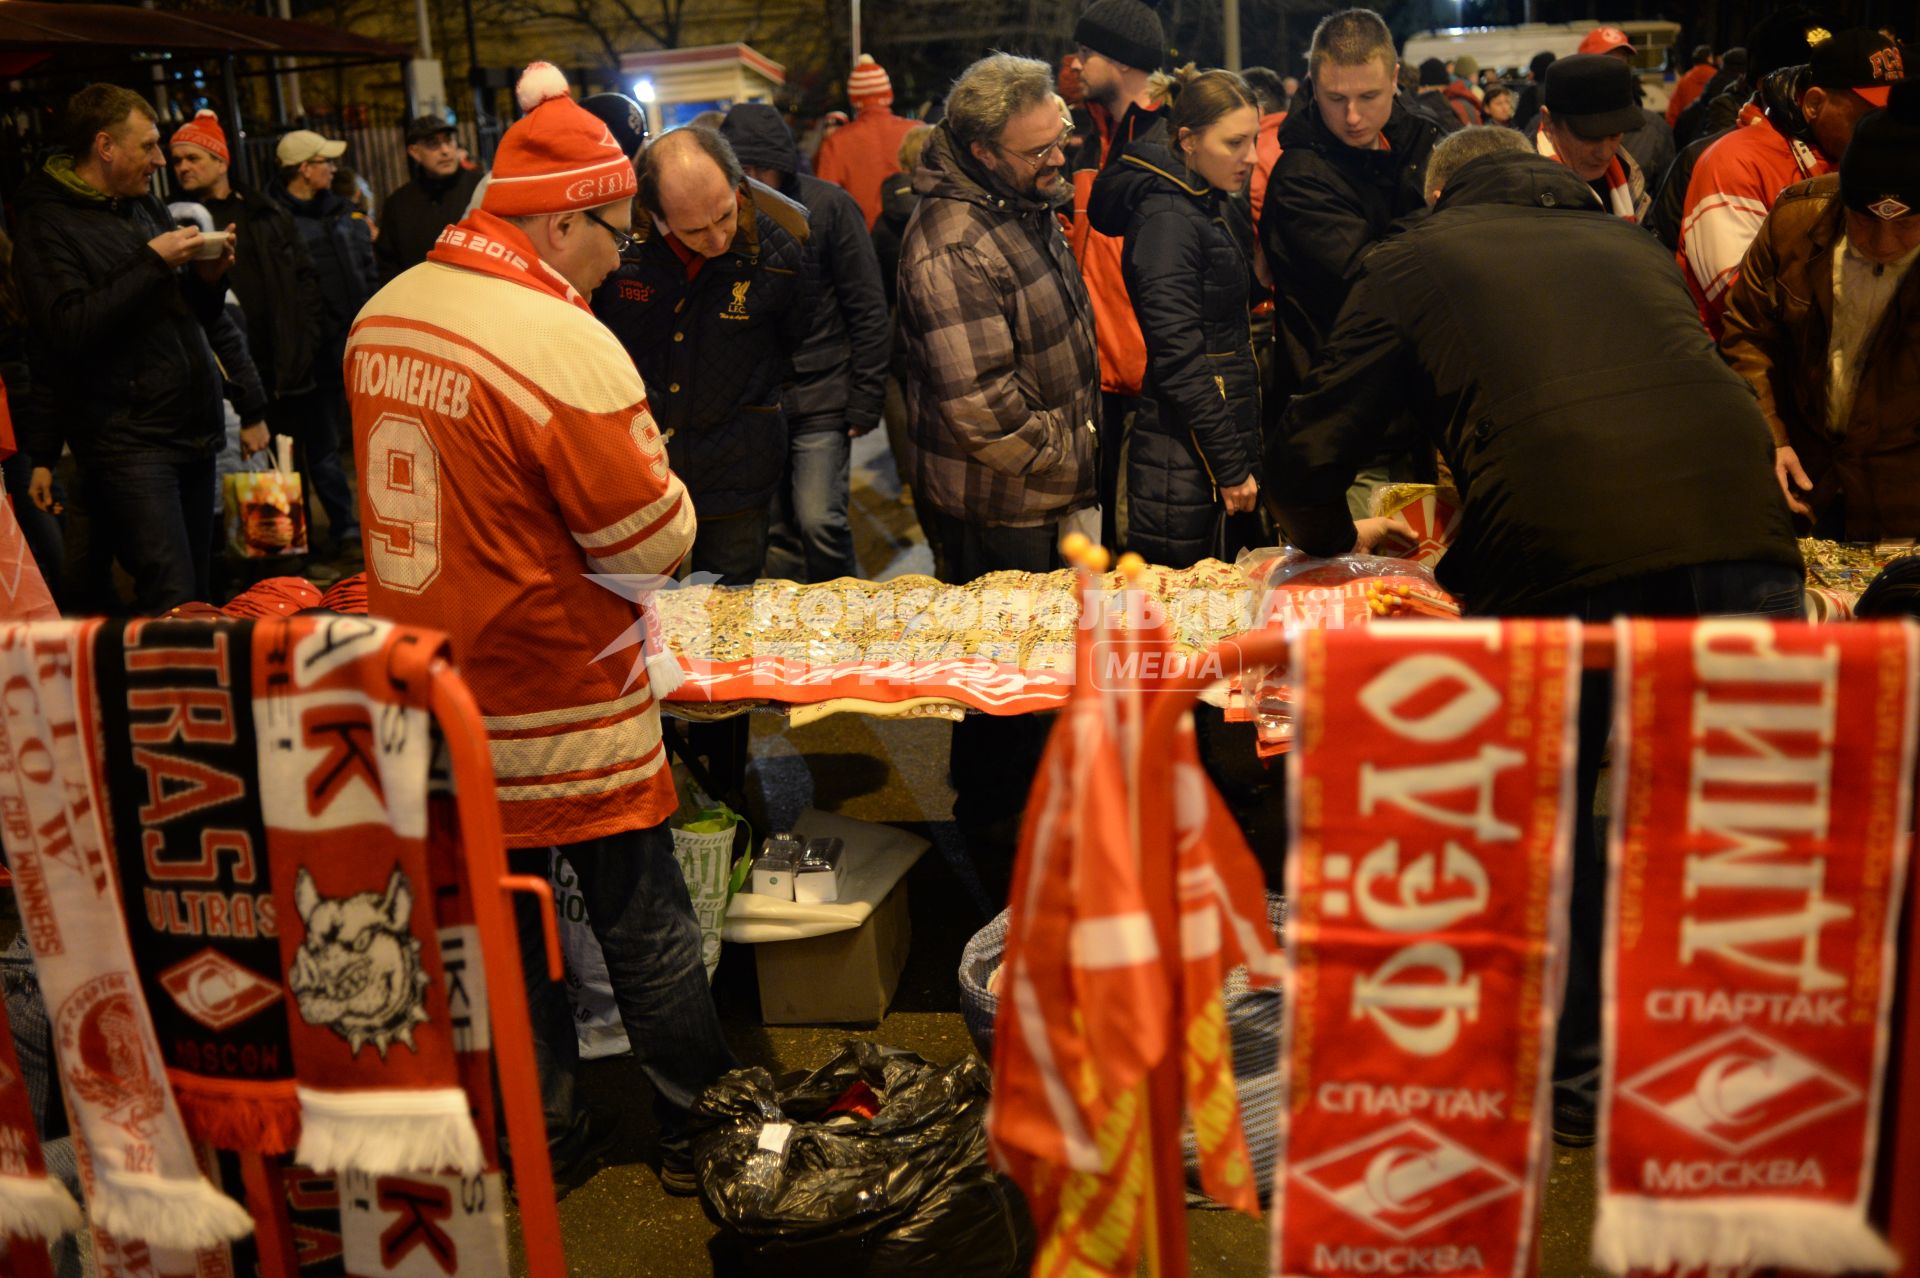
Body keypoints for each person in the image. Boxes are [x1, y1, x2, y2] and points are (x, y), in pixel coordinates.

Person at [1268, 125, 1803, 1147]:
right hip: (1743, 525)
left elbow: (1310, 440)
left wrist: (1330, 540)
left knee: (1552, 821)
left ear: (1439, 188)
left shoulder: (1412, 256)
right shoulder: (1628, 240)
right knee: (1730, 815)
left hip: (1562, 550)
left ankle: (1582, 1089)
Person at [346, 61, 725, 1198]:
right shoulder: (560, 342)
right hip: (559, 686)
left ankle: (539, 1143)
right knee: (641, 923)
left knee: (501, 939)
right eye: (617, 231)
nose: (628, 253)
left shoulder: (387, 310)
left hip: (431, 689)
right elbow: (651, 543)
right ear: (564, 225)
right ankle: (695, 1130)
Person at [897, 53, 1098, 854]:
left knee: (1043, 687)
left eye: (1062, 136)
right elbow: (987, 415)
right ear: (983, 152)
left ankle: (1037, 833)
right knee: (1010, 698)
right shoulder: (950, 247)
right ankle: (1003, 855)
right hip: (1001, 511)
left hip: (1042, 493)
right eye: (1039, 148)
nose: (1060, 156)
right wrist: (1075, 449)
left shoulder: (1017, 200)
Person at [12, 83, 269, 613]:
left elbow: (188, 314)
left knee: (201, 589)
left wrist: (209, 278)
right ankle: (168, 692)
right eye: (149, 146)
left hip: (189, 429)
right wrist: (152, 261)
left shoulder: (140, 203)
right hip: (130, 441)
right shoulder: (47, 224)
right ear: (105, 147)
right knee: (170, 595)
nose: (159, 160)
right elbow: (63, 331)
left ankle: (202, 690)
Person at [594, 126, 810, 587]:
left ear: (737, 184)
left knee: (728, 613)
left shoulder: (787, 238)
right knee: (642, 613)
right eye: (694, 229)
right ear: (656, 211)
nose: (717, 239)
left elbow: (796, 344)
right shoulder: (616, 235)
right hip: (639, 467)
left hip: (738, 466)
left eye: (725, 216)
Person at [1720, 82, 1920, 543]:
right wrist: (1770, 435)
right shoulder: (1797, 219)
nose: (1885, 245)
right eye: (1866, 222)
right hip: (1807, 485)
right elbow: (1748, 334)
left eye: (1906, 225)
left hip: (1906, 503)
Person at [1259, 7, 1440, 515]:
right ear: (1313, 84)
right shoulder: (1300, 174)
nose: (1353, 116)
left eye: (1368, 97)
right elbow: (1372, 279)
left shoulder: (1422, 140)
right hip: (1343, 432)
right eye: (1336, 99)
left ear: (1396, 79)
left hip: (1417, 424)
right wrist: (1439, 223)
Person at [1089, 68, 1262, 568]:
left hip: (1203, 445)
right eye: (1234, 142)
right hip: (1186, 458)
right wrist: (1229, 467)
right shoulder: (1168, 219)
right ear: (1187, 141)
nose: (1250, 156)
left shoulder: (1202, 201)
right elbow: (1181, 356)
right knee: (1190, 625)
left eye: (1252, 139)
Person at [720, 104, 889, 583]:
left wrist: (865, 398)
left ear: (783, 161)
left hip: (822, 390)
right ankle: (796, 635)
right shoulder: (722, 215)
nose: (752, 179)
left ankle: (849, 618)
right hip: (755, 400)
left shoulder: (829, 206)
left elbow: (867, 305)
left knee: (820, 520)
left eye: (760, 167)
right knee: (776, 529)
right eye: (741, 169)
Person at [168, 110, 337, 557]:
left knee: (283, 473)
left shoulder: (262, 212)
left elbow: (304, 282)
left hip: (278, 368)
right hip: (223, 378)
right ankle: (246, 564)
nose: (182, 167)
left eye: (193, 157)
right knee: (231, 482)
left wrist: (304, 346)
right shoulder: (176, 222)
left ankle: (284, 563)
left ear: (221, 160)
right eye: (177, 160)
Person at [1677, 29, 1902, 336]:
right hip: (1741, 370)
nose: (1885, 131)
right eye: (1868, 117)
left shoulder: (1864, 158)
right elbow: (1741, 302)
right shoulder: (1734, 162)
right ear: (1813, 104)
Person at [1066, 0, 1170, 549]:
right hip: (1097, 376)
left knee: (1141, 549)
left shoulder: (1163, 142)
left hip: (1147, 380)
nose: (1076, 63)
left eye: (1087, 52)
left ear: (1126, 61)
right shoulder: (1088, 139)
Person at [273, 128, 371, 557]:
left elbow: (366, 273)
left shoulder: (342, 214)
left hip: (350, 346)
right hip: (306, 355)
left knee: (343, 446)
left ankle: (350, 527)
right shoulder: (277, 220)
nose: (333, 169)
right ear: (302, 169)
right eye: (324, 162)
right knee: (314, 447)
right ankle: (315, 535)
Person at [1535, 54, 1650, 222]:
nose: (1604, 153)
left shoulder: (1628, 172)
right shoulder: (1521, 190)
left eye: (1615, 135)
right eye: (1589, 136)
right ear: (1548, 121)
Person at [815, 55, 921, 230]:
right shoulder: (916, 132)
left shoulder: (837, 142)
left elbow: (826, 201)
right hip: (913, 235)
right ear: (889, 94)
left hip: (862, 241)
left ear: (854, 100)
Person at [377, 114, 484, 282]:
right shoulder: (398, 204)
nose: (445, 150)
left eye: (448, 141)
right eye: (433, 144)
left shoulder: (481, 188)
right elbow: (388, 265)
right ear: (414, 152)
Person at [1668, 45, 1720, 126]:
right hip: (1713, 126)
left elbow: (1673, 110)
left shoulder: (1685, 79)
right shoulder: (1717, 76)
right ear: (1709, 58)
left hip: (1690, 127)